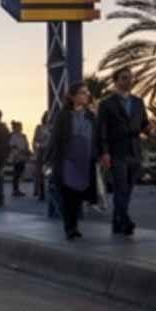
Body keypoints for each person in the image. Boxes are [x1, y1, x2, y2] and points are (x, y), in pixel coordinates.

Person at [97, 67, 149, 235]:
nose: (129, 81)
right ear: (116, 81)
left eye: (130, 78)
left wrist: (148, 129)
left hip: (135, 151)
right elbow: (101, 130)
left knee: (128, 189)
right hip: (116, 151)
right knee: (121, 188)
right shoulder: (106, 104)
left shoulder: (138, 102)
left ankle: (116, 223)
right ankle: (125, 221)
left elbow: (144, 124)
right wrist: (104, 152)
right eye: (124, 78)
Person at [46, 82, 100, 240]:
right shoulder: (63, 115)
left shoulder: (91, 116)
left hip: (85, 160)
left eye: (87, 93)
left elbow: (97, 136)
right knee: (68, 194)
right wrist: (49, 159)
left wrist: (101, 153)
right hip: (68, 160)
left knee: (78, 195)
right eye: (82, 93)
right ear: (72, 96)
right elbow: (55, 138)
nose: (86, 95)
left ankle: (74, 225)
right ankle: (70, 227)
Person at [9, 121, 31, 198]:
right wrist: (18, 152)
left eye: (20, 127)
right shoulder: (13, 136)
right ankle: (15, 190)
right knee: (16, 173)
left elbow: (27, 144)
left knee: (20, 172)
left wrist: (27, 151)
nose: (20, 128)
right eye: (18, 127)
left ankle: (17, 189)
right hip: (16, 157)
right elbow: (12, 146)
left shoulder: (23, 136)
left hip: (23, 156)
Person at [32, 112, 51, 201]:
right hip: (42, 150)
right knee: (40, 173)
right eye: (47, 116)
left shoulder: (52, 127)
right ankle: (41, 193)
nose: (48, 118)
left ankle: (51, 191)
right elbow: (35, 140)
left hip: (50, 151)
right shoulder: (39, 127)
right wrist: (35, 150)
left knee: (50, 172)